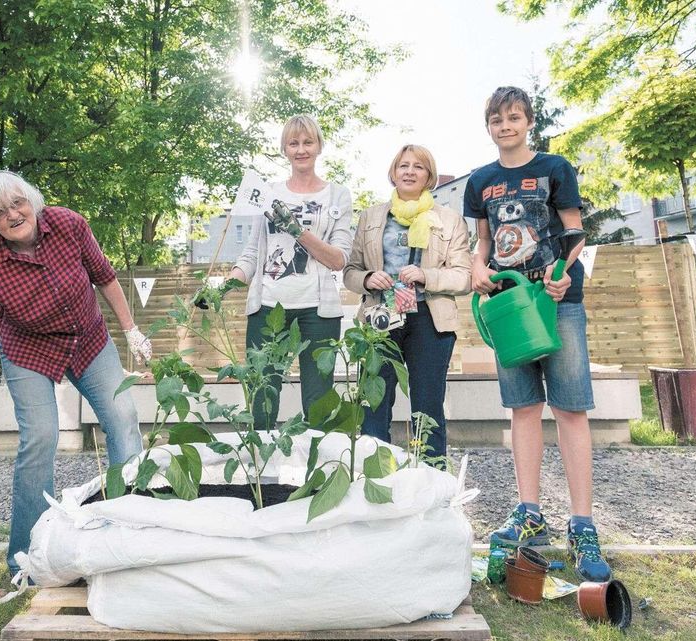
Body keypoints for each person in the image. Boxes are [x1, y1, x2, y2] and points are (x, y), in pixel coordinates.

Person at [0, 170, 150, 578]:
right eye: (0, 213)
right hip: (28, 350)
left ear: (31, 201)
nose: (13, 214)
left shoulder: (69, 224)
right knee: (40, 437)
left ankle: (130, 528)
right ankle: (26, 560)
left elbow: (105, 277)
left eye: (17, 203)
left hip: (88, 338)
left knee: (123, 419)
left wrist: (131, 329)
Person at [463, 86, 611, 582]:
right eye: (496, 119)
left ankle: (583, 525)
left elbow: (575, 232)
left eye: (513, 118)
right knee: (522, 409)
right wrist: (478, 268)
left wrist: (563, 273)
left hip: (555, 303)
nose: (505, 126)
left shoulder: (555, 168)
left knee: (569, 409)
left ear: (529, 122)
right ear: (488, 126)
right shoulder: (481, 181)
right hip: (507, 308)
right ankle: (530, 515)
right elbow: (481, 243)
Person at [343, 144, 471, 458]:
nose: (410, 171)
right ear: (393, 173)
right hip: (381, 316)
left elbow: (464, 277)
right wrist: (368, 278)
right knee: (375, 400)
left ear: (429, 176)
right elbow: (350, 271)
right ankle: (376, 474)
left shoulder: (449, 219)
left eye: (418, 166)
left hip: (429, 317)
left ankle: (429, 480)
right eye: (403, 165)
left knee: (427, 405)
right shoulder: (371, 217)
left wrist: (427, 275)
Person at [229, 115, 354, 429]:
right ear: (284, 148)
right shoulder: (269, 193)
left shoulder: (337, 195)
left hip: (318, 311)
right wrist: (225, 284)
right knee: (262, 398)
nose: (301, 149)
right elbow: (253, 253)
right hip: (269, 307)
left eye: (308, 142)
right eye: (294, 143)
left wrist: (297, 230)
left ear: (319, 147)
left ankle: (316, 475)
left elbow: (338, 258)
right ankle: (264, 476)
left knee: (318, 404)